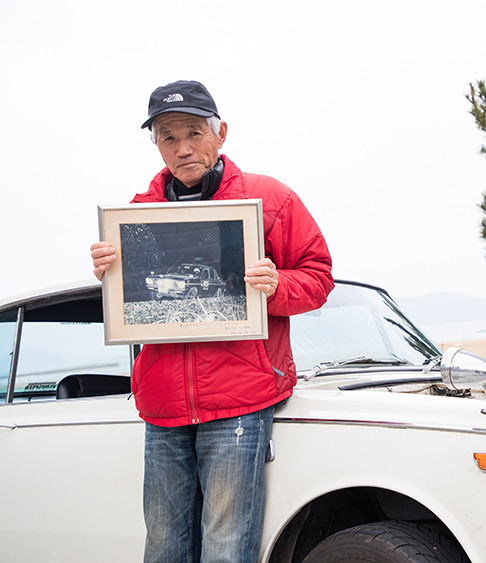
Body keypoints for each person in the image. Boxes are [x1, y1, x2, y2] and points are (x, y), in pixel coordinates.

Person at [90, 80, 333, 562]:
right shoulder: (137, 215)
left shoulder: (270, 200)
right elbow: (138, 305)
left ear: (221, 133)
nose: (183, 149)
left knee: (226, 545)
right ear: (156, 144)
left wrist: (276, 285)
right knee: (163, 544)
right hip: (161, 404)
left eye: (194, 133)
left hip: (240, 400)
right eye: (168, 137)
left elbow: (319, 278)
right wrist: (112, 276)